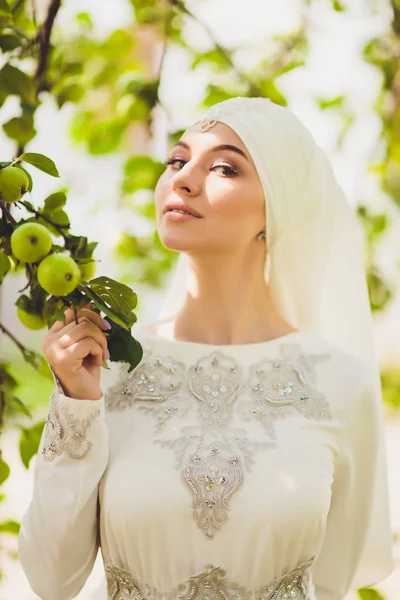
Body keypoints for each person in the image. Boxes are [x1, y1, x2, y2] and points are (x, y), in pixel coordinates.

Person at [18, 97, 394, 600]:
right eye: (177, 160)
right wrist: (77, 405)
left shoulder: (340, 383)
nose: (184, 178)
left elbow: (334, 581)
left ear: (277, 206)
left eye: (224, 167)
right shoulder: (106, 368)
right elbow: (50, 580)